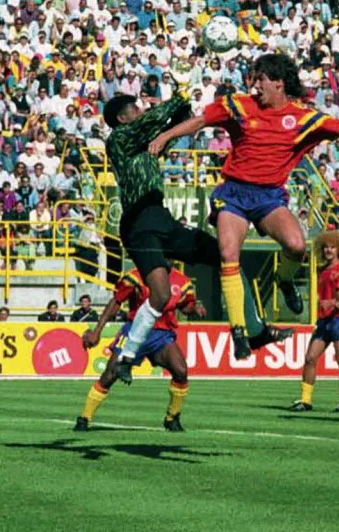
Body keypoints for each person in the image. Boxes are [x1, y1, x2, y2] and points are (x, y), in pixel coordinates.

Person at [148, 53, 339, 359]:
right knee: (228, 254)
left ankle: (284, 281)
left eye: (261, 79)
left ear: (279, 83)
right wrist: (166, 135)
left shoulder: (303, 117)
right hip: (233, 193)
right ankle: (239, 332)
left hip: (269, 196)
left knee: (297, 246)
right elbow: (200, 122)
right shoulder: (239, 105)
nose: (255, 85)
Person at [102, 92, 292, 384]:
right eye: (135, 109)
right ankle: (127, 356)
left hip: (161, 219)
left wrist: (184, 110)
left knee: (225, 257)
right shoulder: (118, 139)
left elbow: (169, 130)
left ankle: (254, 332)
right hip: (138, 223)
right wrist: (178, 96)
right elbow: (153, 120)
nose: (141, 111)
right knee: (161, 295)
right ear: (121, 118)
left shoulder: (141, 143)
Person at [76, 267, 197, 432]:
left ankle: (172, 418)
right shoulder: (137, 275)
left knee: (181, 370)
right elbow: (116, 301)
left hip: (161, 335)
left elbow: (185, 306)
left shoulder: (183, 281)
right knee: (110, 374)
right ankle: (84, 418)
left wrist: (193, 307)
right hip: (135, 330)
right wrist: (97, 331)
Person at [289, 230, 339, 413]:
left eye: (332, 247)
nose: (328, 250)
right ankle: (305, 399)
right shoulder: (321, 270)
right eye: (325, 247)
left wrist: (333, 302)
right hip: (324, 320)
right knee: (310, 357)